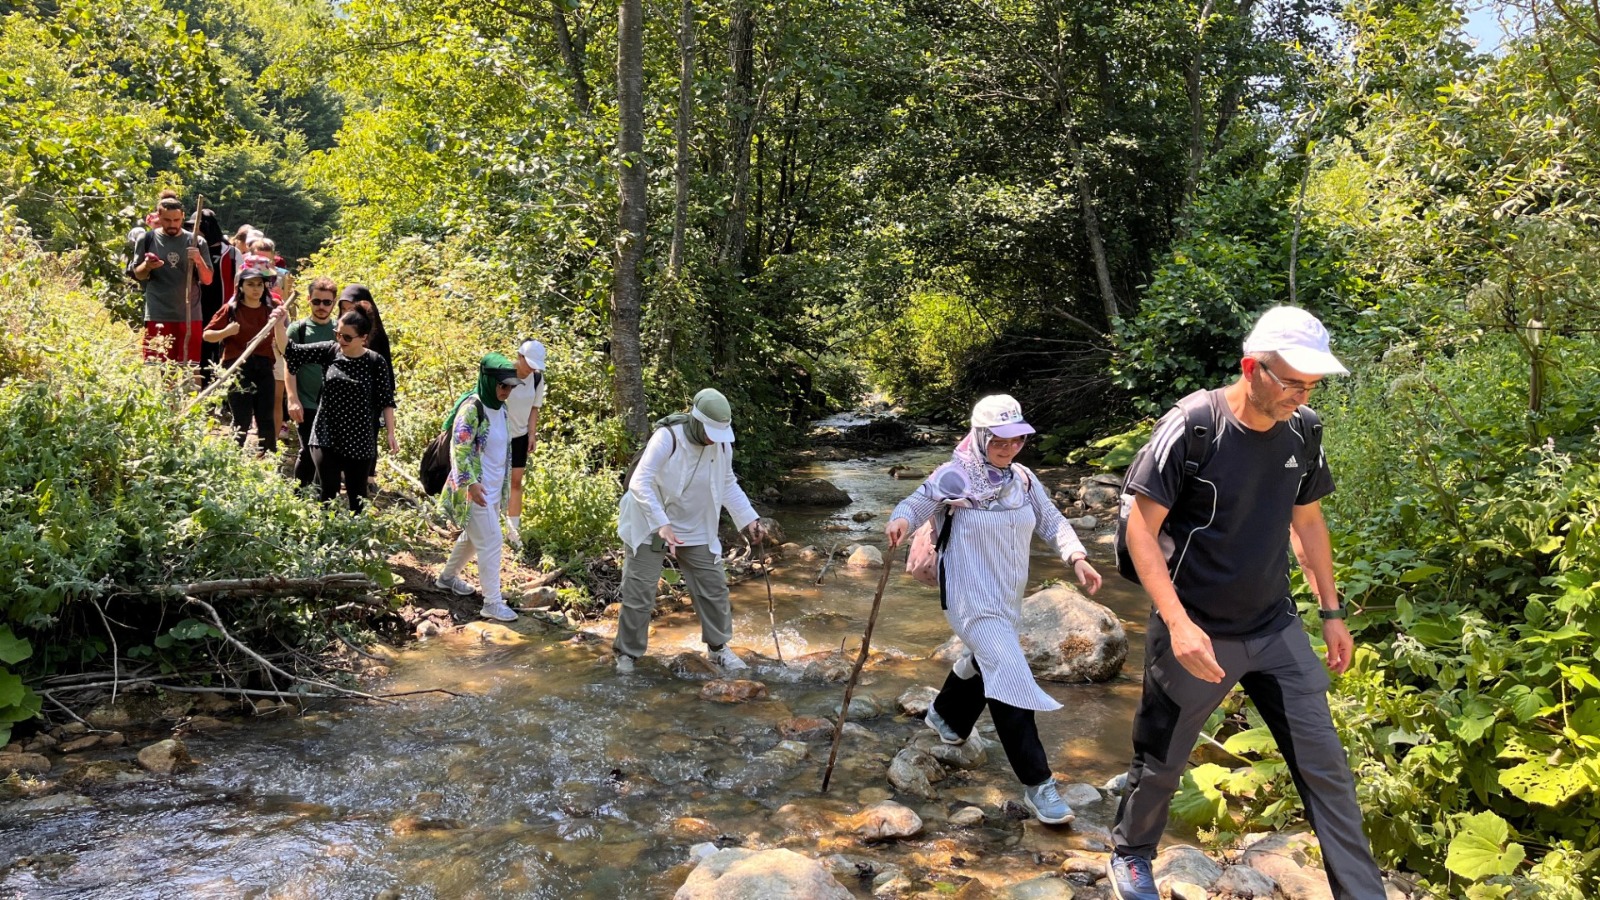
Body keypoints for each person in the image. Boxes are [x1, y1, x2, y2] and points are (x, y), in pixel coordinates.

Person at [1104, 307, 1384, 900]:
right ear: (1251, 368)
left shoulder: (1303, 429)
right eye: (1291, 382)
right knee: (1160, 761)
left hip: (1275, 627)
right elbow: (1139, 530)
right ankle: (1131, 854)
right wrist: (1177, 624)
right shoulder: (1193, 426)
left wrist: (1331, 612)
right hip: (1197, 631)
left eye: (1312, 385)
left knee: (1326, 770)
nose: (1301, 396)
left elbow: (1306, 522)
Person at [885, 394, 1103, 826]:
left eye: (1017, 438)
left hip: (1006, 597)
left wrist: (1077, 557)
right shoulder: (954, 477)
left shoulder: (1021, 480)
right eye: (1000, 439)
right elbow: (916, 502)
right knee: (1010, 674)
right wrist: (901, 520)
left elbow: (1052, 520)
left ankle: (946, 716)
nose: (1009, 447)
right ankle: (1039, 784)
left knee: (988, 659)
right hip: (967, 597)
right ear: (980, 435)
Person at [613, 389, 770, 674]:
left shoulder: (722, 445)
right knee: (640, 593)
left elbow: (727, 484)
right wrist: (662, 523)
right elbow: (640, 482)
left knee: (713, 588)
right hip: (650, 522)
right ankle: (627, 654)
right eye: (709, 432)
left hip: (695, 526)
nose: (713, 438)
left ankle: (718, 648)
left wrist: (749, 519)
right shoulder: (668, 437)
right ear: (696, 421)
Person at [435, 353, 524, 623]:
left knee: (475, 538)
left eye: (510, 387)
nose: (506, 391)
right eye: (502, 386)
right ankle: (492, 603)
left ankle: (447, 578)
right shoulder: (472, 408)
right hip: (473, 490)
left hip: (494, 490)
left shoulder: (502, 408)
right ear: (488, 381)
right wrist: (471, 483)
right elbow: (459, 449)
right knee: (492, 541)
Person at [283, 306, 398, 512]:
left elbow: (386, 400)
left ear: (363, 338)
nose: (340, 340)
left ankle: (353, 537)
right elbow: (291, 351)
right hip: (326, 434)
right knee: (328, 493)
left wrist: (391, 433)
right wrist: (276, 323)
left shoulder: (375, 362)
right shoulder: (330, 350)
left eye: (347, 337)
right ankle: (325, 536)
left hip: (359, 438)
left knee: (357, 497)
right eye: (338, 334)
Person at [202, 266, 284, 454]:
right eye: (250, 284)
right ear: (241, 287)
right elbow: (207, 335)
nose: (255, 289)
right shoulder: (231, 310)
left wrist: (279, 324)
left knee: (266, 417)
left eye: (259, 285)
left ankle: (268, 459)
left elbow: (281, 340)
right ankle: (233, 459)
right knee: (242, 417)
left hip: (264, 366)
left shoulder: (270, 311)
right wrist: (226, 332)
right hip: (237, 367)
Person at [128, 196, 213, 365]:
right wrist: (148, 265)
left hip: (189, 315)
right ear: (158, 217)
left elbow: (208, 279)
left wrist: (197, 259)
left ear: (182, 216)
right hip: (158, 313)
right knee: (159, 366)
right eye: (167, 220)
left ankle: (187, 392)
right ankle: (165, 392)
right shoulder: (146, 239)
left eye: (176, 219)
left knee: (190, 366)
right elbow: (138, 275)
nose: (172, 224)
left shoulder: (196, 241)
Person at [284, 277, 341, 487]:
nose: (321, 307)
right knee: (308, 450)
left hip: (332, 404)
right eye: (316, 301)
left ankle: (321, 498)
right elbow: (289, 366)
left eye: (327, 302)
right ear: (309, 300)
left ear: (334, 303)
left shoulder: (340, 330)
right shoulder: (298, 330)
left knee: (327, 453)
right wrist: (292, 399)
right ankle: (298, 496)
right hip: (305, 401)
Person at [504, 339, 548, 548]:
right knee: (488, 480)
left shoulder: (537, 379)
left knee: (516, 482)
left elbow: (534, 408)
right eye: (528, 363)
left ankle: (512, 531)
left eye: (535, 365)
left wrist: (532, 434)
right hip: (497, 434)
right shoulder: (503, 372)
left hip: (520, 436)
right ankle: (477, 524)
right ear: (519, 356)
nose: (531, 368)